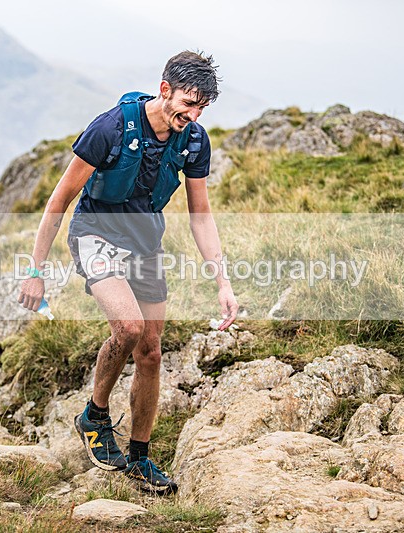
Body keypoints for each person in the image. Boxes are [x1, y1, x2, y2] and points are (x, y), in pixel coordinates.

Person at [17, 51, 238, 494]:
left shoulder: (194, 140)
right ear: (164, 90)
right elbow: (58, 201)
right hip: (94, 233)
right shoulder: (110, 128)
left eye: (201, 108)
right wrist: (35, 270)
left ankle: (139, 457)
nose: (192, 116)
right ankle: (95, 416)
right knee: (130, 327)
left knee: (151, 352)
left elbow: (201, 216)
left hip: (144, 243)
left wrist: (223, 281)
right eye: (187, 103)